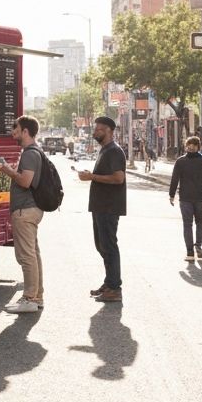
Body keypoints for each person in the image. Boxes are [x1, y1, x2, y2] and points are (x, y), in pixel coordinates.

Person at [0, 116, 44, 313]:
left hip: (25, 210)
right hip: (30, 209)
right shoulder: (34, 152)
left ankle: (30, 298)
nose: (12, 132)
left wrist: (8, 170)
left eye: (15, 128)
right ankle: (37, 296)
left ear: (25, 131)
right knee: (33, 254)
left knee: (26, 256)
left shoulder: (29, 154)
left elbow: (25, 181)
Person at [78, 116, 127, 303]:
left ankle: (115, 288)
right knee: (102, 246)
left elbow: (118, 178)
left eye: (99, 129)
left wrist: (92, 177)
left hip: (109, 207)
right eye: (95, 129)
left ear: (109, 131)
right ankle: (110, 282)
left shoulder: (114, 151)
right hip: (100, 206)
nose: (95, 132)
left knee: (109, 246)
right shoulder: (105, 150)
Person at [168, 135, 202, 260]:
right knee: (200, 223)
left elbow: (175, 179)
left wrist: (171, 195)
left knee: (187, 224)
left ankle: (190, 252)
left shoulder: (181, 161)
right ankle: (198, 245)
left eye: (192, 146)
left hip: (186, 199)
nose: (191, 148)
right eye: (190, 146)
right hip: (200, 198)